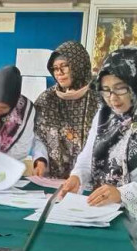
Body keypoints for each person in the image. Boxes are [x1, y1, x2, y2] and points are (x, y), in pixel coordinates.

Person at [61, 47, 137, 248]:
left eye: (121, 88)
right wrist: (77, 177)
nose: (113, 97)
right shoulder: (105, 116)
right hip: (105, 215)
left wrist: (122, 193)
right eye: (106, 90)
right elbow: (88, 156)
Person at [33, 41, 100, 178]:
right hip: (54, 179)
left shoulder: (99, 97)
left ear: (78, 65)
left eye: (64, 66)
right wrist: (40, 160)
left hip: (92, 180)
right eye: (55, 68)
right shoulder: (47, 100)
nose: (59, 73)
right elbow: (40, 137)